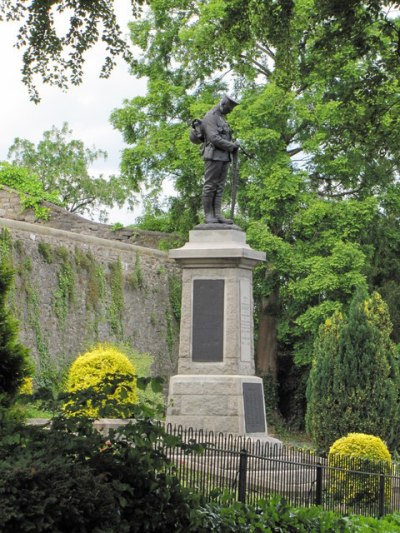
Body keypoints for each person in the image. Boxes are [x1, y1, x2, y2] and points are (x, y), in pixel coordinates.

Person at [201, 95, 240, 224]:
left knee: (220, 187)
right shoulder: (210, 117)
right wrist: (231, 146)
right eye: (229, 108)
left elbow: (225, 136)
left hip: (224, 157)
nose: (230, 111)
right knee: (210, 185)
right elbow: (214, 138)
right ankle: (209, 215)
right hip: (213, 156)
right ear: (223, 104)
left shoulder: (221, 119)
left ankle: (217, 214)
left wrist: (233, 144)